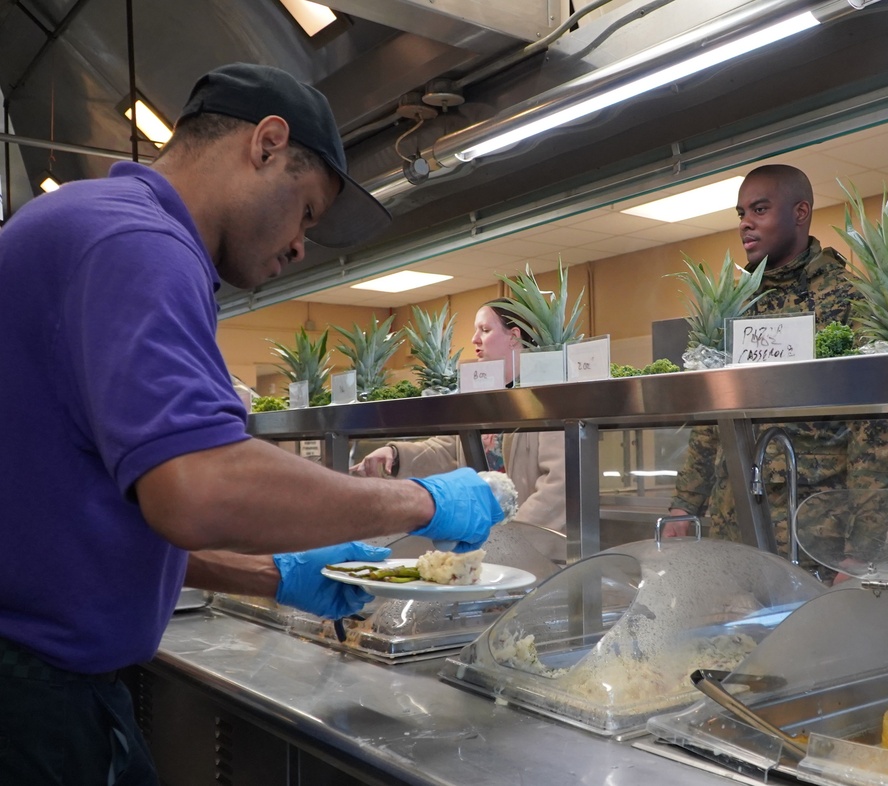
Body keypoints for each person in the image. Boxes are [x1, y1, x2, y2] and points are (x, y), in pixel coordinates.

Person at [0, 63, 505, 785]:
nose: (301, 246)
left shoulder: (91, 224)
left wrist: (273, 576)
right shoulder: (138, 243)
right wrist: (425, 502)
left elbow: (92, 519)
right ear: (267, 143)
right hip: (28, 702)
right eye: (305, 213)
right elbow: (198, 492)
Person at [666, 164, 888, 580]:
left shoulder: (849, 299)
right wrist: (684, 505)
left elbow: (880, 434)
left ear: (800, 212)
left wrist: (859, 551)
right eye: (741, 212)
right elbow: (713, 417)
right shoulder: (735, 305)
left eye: (759, 210)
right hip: (735, 529)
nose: (745, 223)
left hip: (815, 538)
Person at [351, 300, 567, 562]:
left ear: (514, 336)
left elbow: (559, 484)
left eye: (485, 330)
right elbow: (449, 448)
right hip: (486, 547)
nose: (475, 339)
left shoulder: (545, 397)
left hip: (538, 555)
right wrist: (395, 454)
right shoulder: (482, 398)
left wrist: (512, 543)